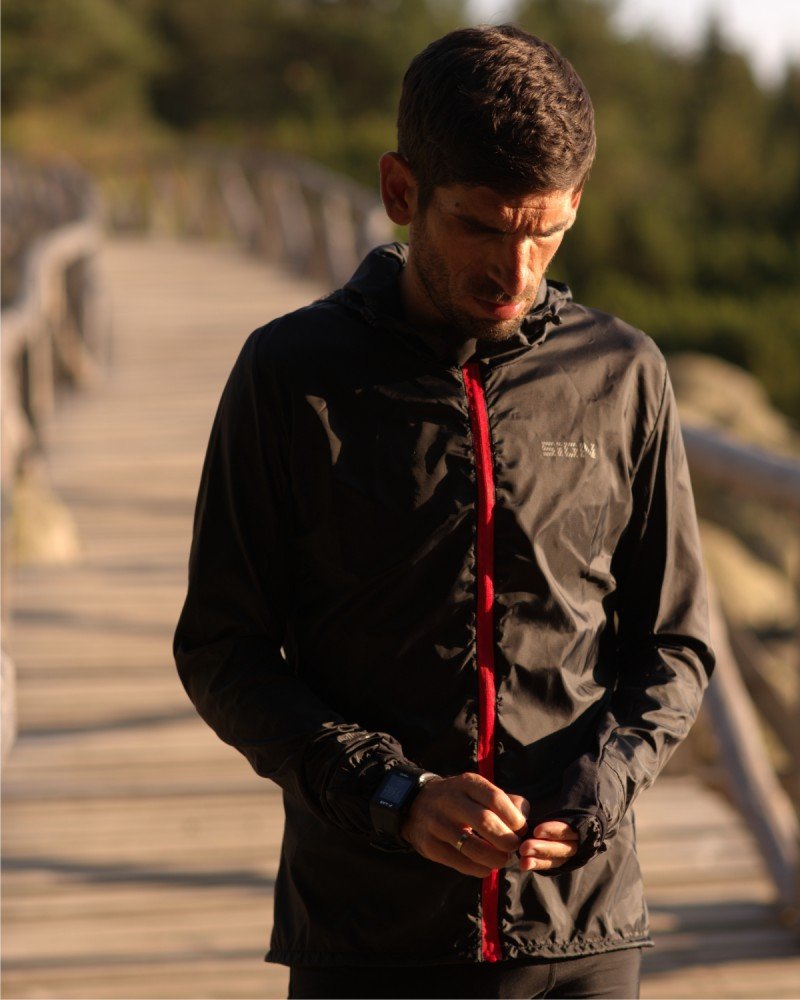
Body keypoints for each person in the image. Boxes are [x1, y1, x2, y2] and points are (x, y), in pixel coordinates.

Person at [174, 23, 714, 1000]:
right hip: (367, 937)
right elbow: (222, 649)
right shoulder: (290, 373)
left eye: (546, 231)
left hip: (582, 937)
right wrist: (392, 793)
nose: (516, 270)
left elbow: (674, 643)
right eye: (481, 226)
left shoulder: (623, 372)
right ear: (400, 191)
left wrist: (605, 782)